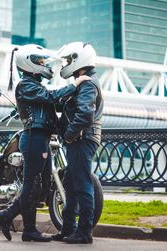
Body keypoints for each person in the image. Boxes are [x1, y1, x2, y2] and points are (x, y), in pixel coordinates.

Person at [0, 44, 90, 242]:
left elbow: (55, 102)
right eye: (41, 61)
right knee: (32, 185)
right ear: (30, 63)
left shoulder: (35, 85)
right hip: (33, 138)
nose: (45, 65)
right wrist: (76, 84)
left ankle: (7, 216)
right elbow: (52, 97)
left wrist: (73, 99)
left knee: (42, 186)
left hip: (41, 138)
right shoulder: (25, 85)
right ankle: (27, 229)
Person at [52, 42, 103, 244]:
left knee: (82, 185)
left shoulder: (88, 83)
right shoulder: (83, 82)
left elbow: (85, 114)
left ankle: (84, 233)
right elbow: (64, 104)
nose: (65, 64)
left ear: (78, 60)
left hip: (82, 139)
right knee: (70, 185)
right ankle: (68, 229)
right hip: (79, 139)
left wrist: (68, 135)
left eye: (68, 60)